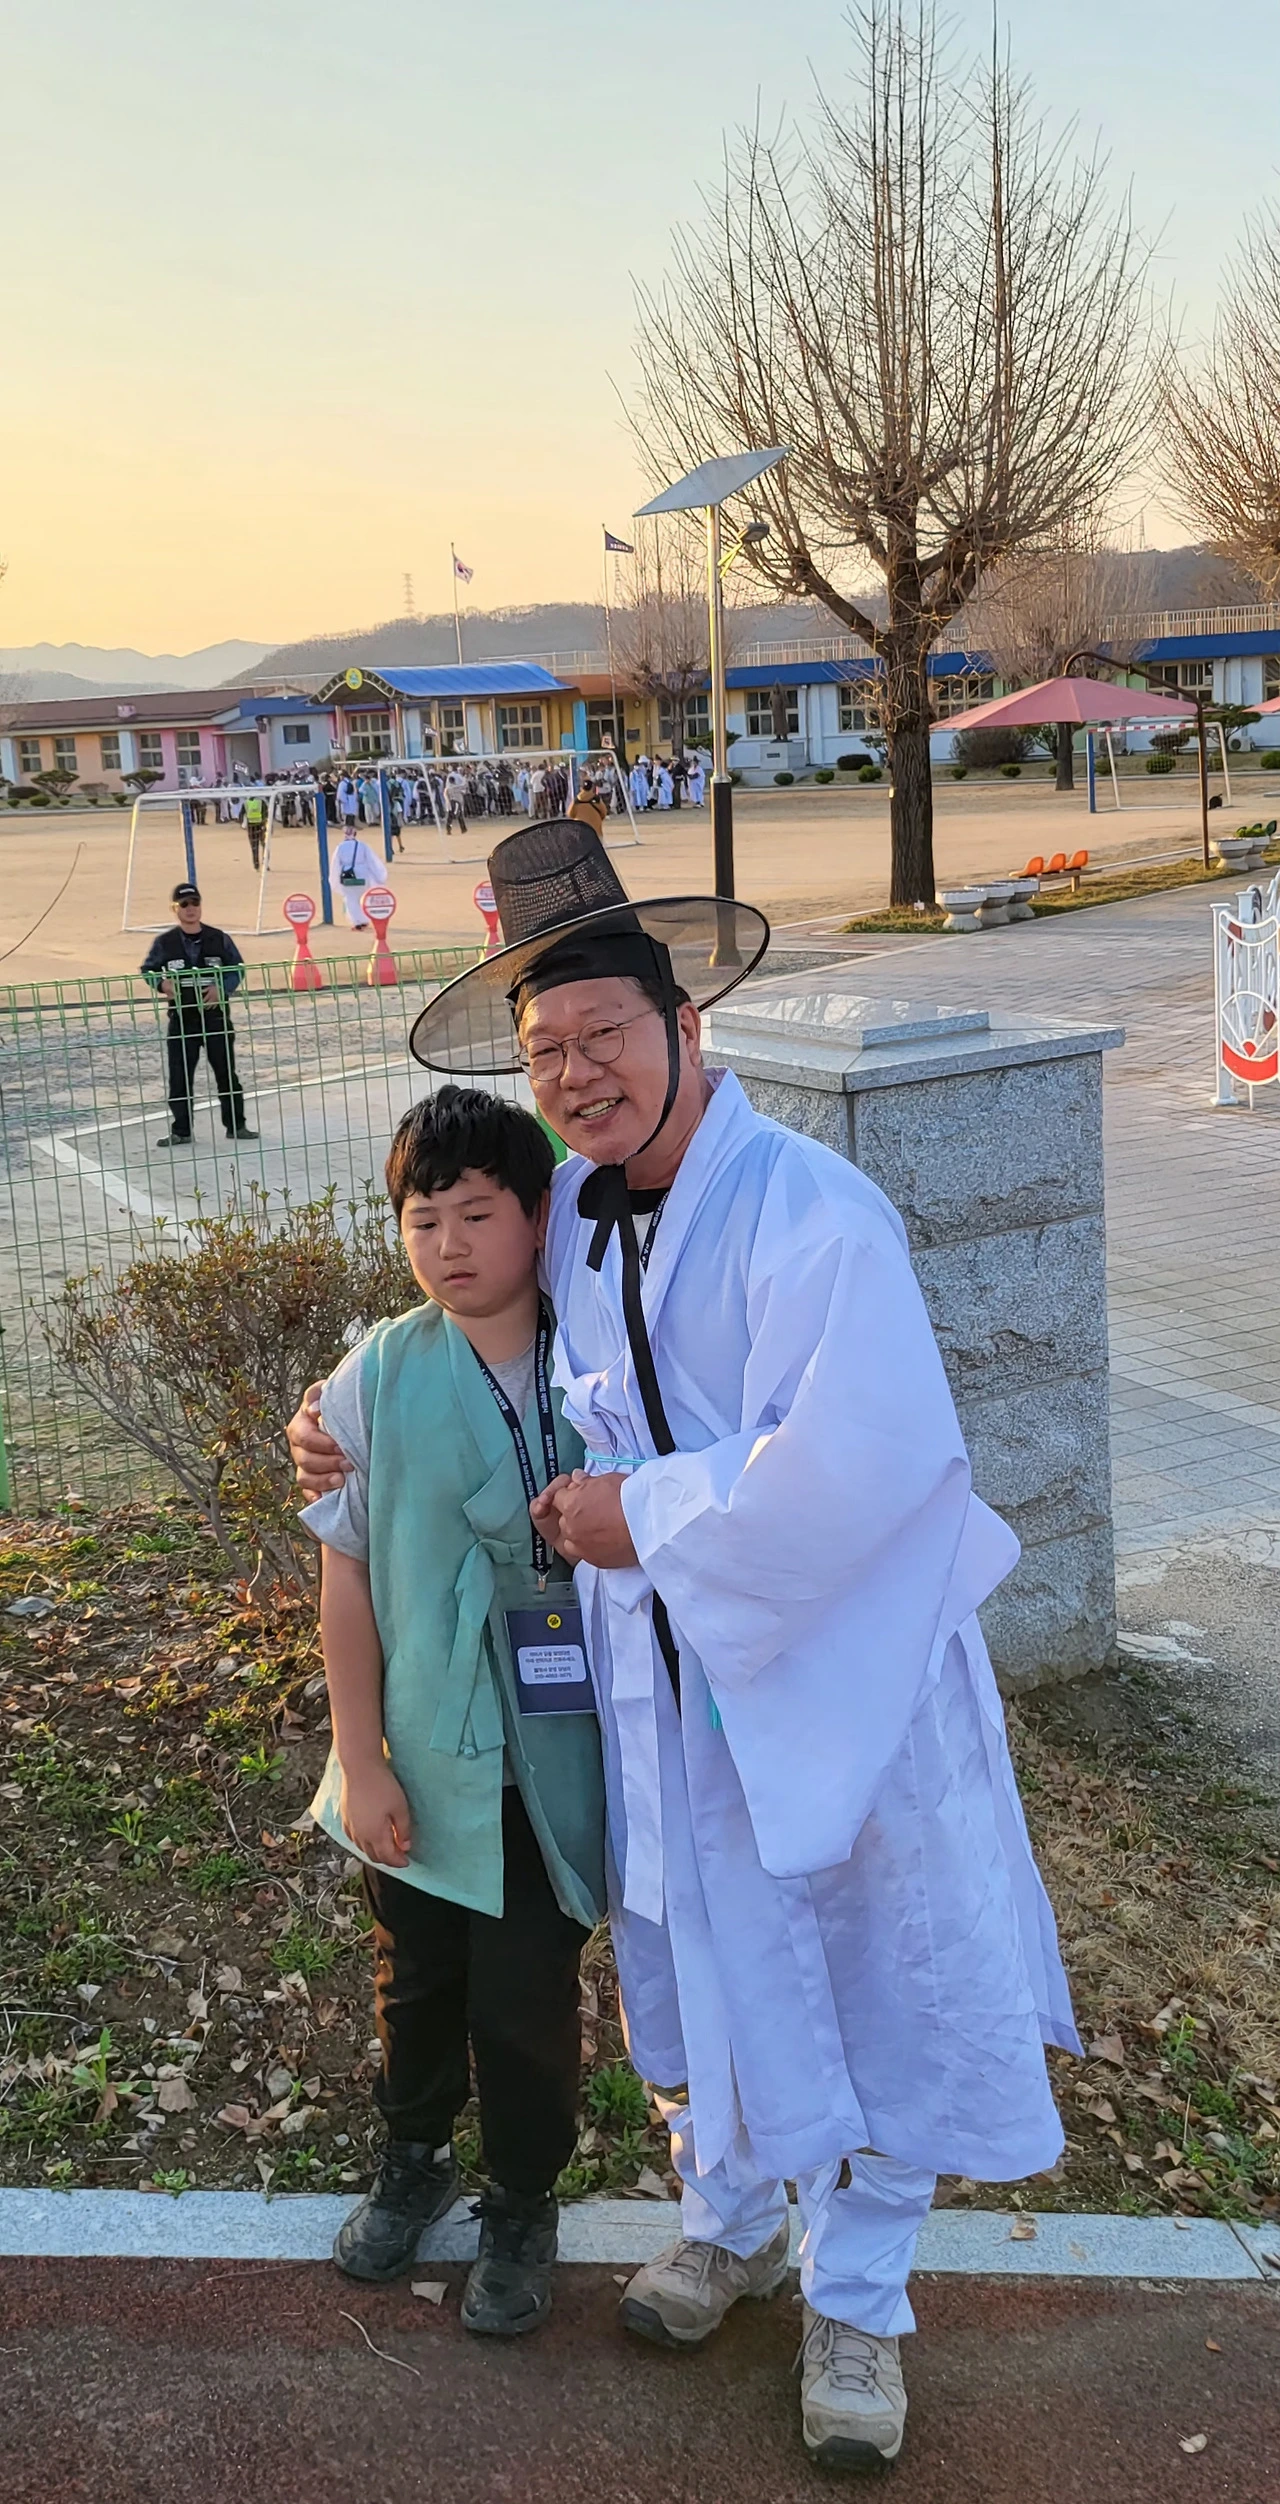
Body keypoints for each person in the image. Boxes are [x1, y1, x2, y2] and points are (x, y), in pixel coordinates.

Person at [290, 819, 1077, 2473]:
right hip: (659, 1675)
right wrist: (334, 1419)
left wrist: (640, 1513)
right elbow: (485, 1331)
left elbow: (861, 1460)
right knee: (694, 1944)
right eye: (545, 1049)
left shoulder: (814, 1212)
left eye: (605, 1033)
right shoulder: (580, 1208)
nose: (576, 1074)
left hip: (835, 1670)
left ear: (687, 1025)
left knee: (864, 1965)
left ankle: (859, 2301)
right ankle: (728, 2214)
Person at [301, 1087, 606, 2334]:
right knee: (415, 1974)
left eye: (477, 1213)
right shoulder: (376, 1373)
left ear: (539, 1215)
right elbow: (347, 1575)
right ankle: (413, 2155)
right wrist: (359, 1756)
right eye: (422, 1220)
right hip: (422, 1750)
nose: (448, 1245)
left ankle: (521, 2200)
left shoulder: (600, 1358)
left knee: (525, 1993)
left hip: (559, 1755)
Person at [141, 882, 258, 1148]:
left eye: (195, 903)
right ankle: (181, 1131)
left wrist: (222, 988)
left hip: (215, 1018)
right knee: (180, 1077)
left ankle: (237, 1126)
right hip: (182, 1019)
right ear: (175, 908)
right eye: (184, 904)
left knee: (226, 1074)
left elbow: (237, 967)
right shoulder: (164, 942)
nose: (190, 908)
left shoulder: (219, 938)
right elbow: (148, 969)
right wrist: (161, 984)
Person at [330, 826, 384, 929]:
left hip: (347, 874)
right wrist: (379, 876)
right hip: (362, 873)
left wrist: (335, 878)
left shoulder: (340, 847)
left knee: (350, 899)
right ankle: (364, 919)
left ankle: (356, 922)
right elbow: (372, 861)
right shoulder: (362, 845)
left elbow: (335, 864)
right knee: (362, 897)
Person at [444, 768, 467, 836]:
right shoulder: (456, 787)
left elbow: (445, 795)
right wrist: (464, 778)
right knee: (459, 815)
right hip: (456, 802)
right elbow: (464, 786)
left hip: (450, 803)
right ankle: (463, 829)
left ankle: (449, 829)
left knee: (450, 816)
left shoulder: (447, 788)